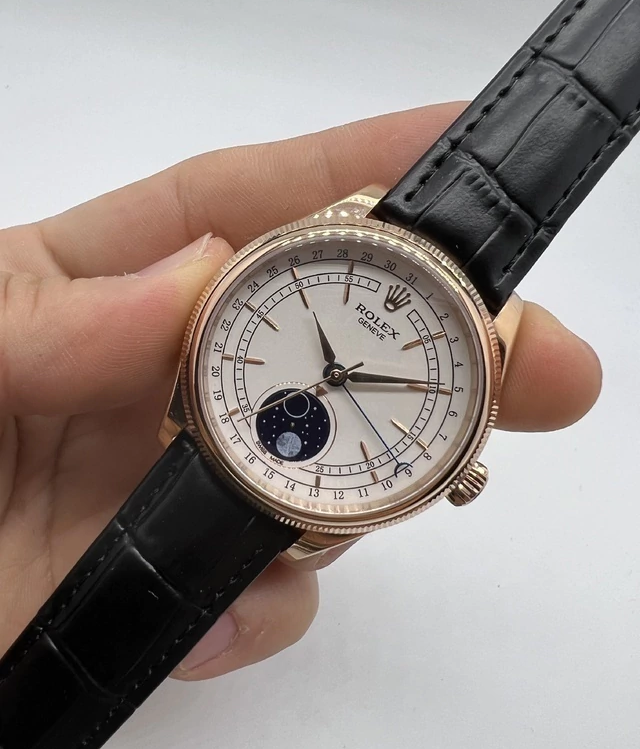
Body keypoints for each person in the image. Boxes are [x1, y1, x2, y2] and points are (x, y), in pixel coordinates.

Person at [0, 103, 601, 682]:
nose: (336, 377)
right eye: (336, 370)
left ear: (457, 471)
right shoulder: (352, 224)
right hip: (212, 427)